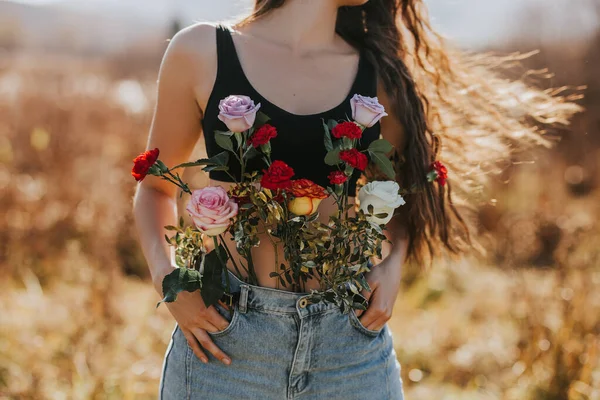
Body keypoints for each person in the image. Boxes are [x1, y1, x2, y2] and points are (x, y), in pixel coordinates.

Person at [132, 1, 579, 399]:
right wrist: (169, 278)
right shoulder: (201, 52)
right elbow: (155, 186)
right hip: (226, 345)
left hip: (349, 348)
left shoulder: (380, 75)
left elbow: (401, 192)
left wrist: (393, 263)